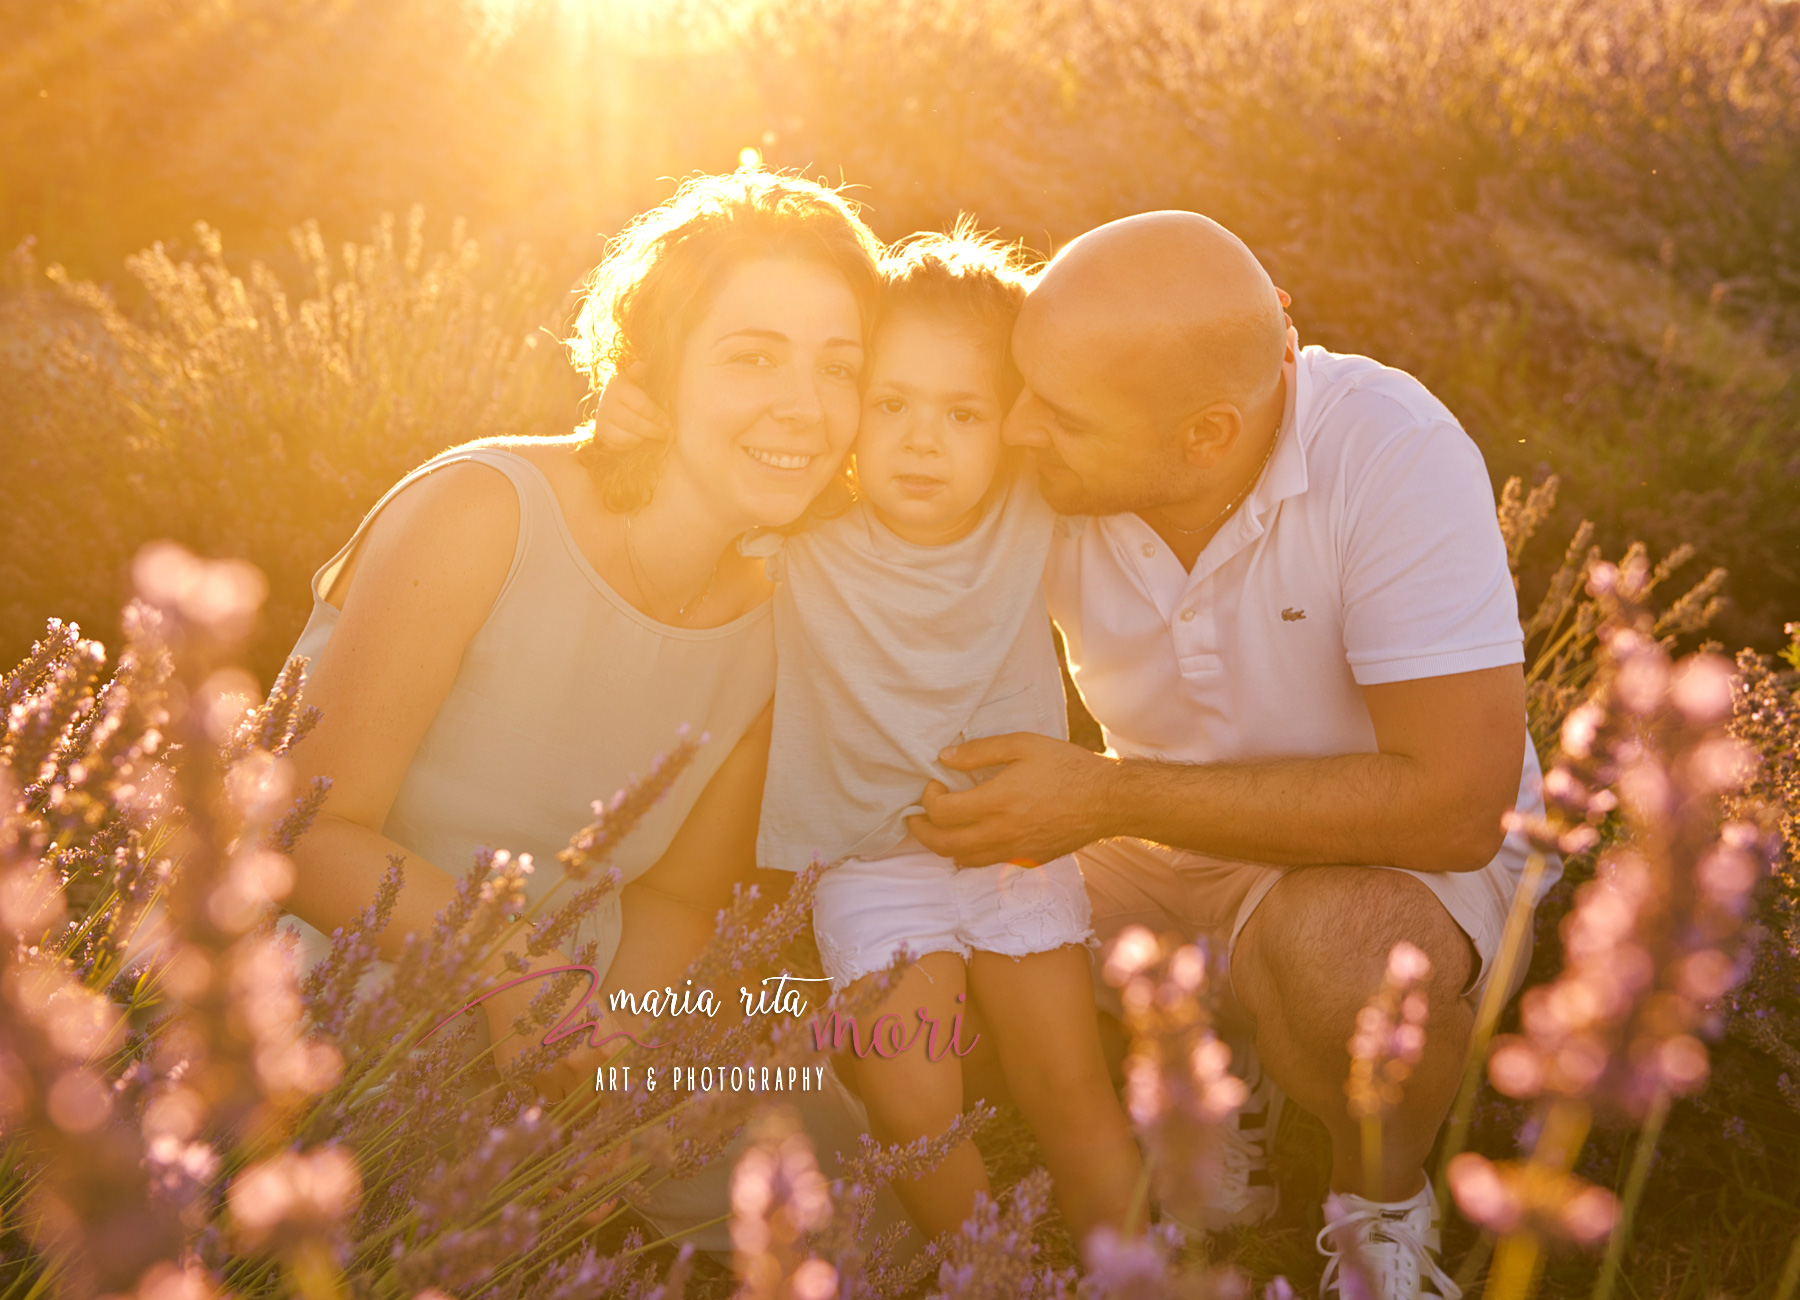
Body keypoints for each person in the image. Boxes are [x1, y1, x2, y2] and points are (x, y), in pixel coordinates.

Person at [906, 211, 1556, 1300]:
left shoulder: (1389, 449)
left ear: (1205, 435)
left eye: (1057, 415)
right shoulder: (1057, 459)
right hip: (1149, 842)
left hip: (1389, 866)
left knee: (1359, 970)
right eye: (1020, 388)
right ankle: (1226, 1051)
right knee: (898, 937)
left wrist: (1106, 796)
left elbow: (1456, 806)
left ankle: (1379, 1223)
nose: (1015, 429)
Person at [277, 169, 889, 1248]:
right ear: (650, 370)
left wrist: (609, 1076)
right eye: (753, 357)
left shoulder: (795, 613)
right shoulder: (482, 510)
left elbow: (674, 897)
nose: (806, 406)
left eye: (839, 369)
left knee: (844, 1181)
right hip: (353, 957)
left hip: (592, 992)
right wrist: (511, 977)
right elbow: (301, 833)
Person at [748, 230, 1145, 1244]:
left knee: (1067, 1083)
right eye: (892, 405)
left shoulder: (1031, 510)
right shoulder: (795, 544)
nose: (923, 442)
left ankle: (1143, 1268)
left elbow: (1118, 418)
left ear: (1012, 425)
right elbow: (681, 494)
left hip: (1017, 841)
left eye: (962, 413)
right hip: (873, 866)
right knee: (912, 1101)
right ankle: (986, 1270)